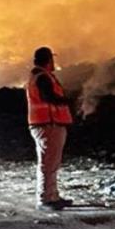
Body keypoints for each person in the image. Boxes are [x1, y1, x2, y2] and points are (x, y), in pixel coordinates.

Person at [26, 46, 74, 211]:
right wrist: (67, 101)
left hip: (47, 124)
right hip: (47, 124)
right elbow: (50, 97)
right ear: (48, 60)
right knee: (48, 163)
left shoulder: (40, 76)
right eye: (52, 60)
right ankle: (45, 199)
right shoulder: (42, 77)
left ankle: (52, 196)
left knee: (51, 162)